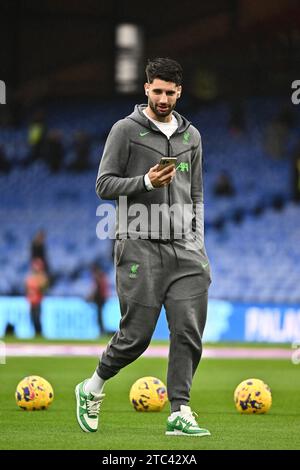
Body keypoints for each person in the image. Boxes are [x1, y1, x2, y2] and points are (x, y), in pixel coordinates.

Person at [75, 58, 212, 437]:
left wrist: (197, 238)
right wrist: (146, 183)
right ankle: (92, 387)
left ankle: (180, 410)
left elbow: (196, 190)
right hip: (138, 246)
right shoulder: (125, 130)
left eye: (170, 92)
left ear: (179, 92)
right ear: (146, 88)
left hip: (186, 249)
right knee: (136, 337)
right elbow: (103, 185)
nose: (164, 98)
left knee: (187, 330)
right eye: (157, 90)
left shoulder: (192, 136)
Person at [25, 258, 49, 336]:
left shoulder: (42, 277)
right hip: (31, 301)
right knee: (32, 318)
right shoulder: (30, 277)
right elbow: (27, 288)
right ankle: (36, 334)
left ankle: (39, 333)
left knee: (37, 318)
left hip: (38, 301)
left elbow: (44, 288)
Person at [89, 263, 110, 335]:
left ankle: (102, 331)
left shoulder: (98, 277)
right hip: (102, 298)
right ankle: (102, 331)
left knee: (99, 316)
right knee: (100, 315)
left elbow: (96, 289)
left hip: (100, 298)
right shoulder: (102, 276)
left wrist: (91, 297)